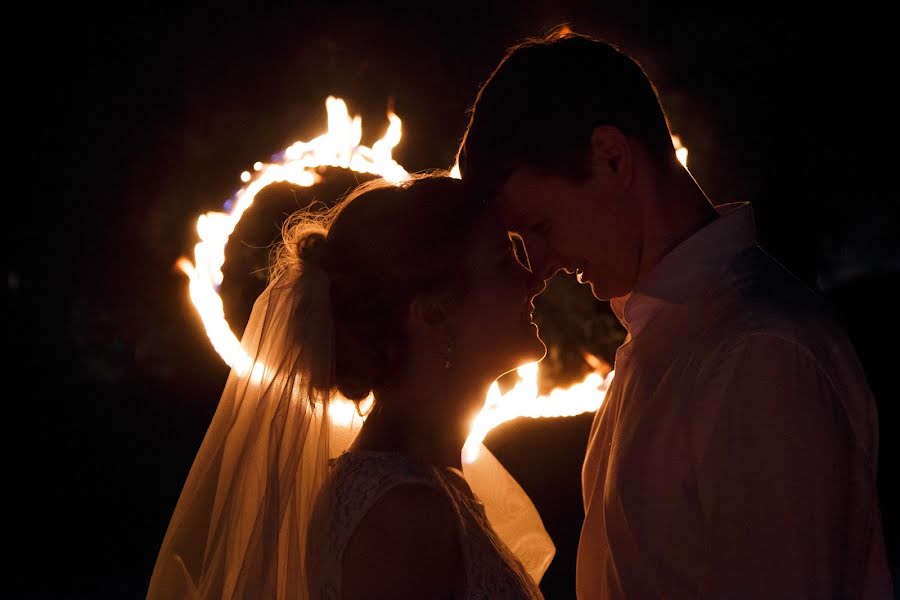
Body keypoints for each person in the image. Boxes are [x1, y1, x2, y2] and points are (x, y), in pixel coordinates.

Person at [456, 28, 893, 599]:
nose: (540, 266)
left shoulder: (755, 352)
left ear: (611, 157)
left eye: (539, 229)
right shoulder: (667, 338)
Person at [146, 174, 555, 600]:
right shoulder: (403, 513)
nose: (534, 278)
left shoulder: (426, 486)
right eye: (505, 260)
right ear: (434, 312)